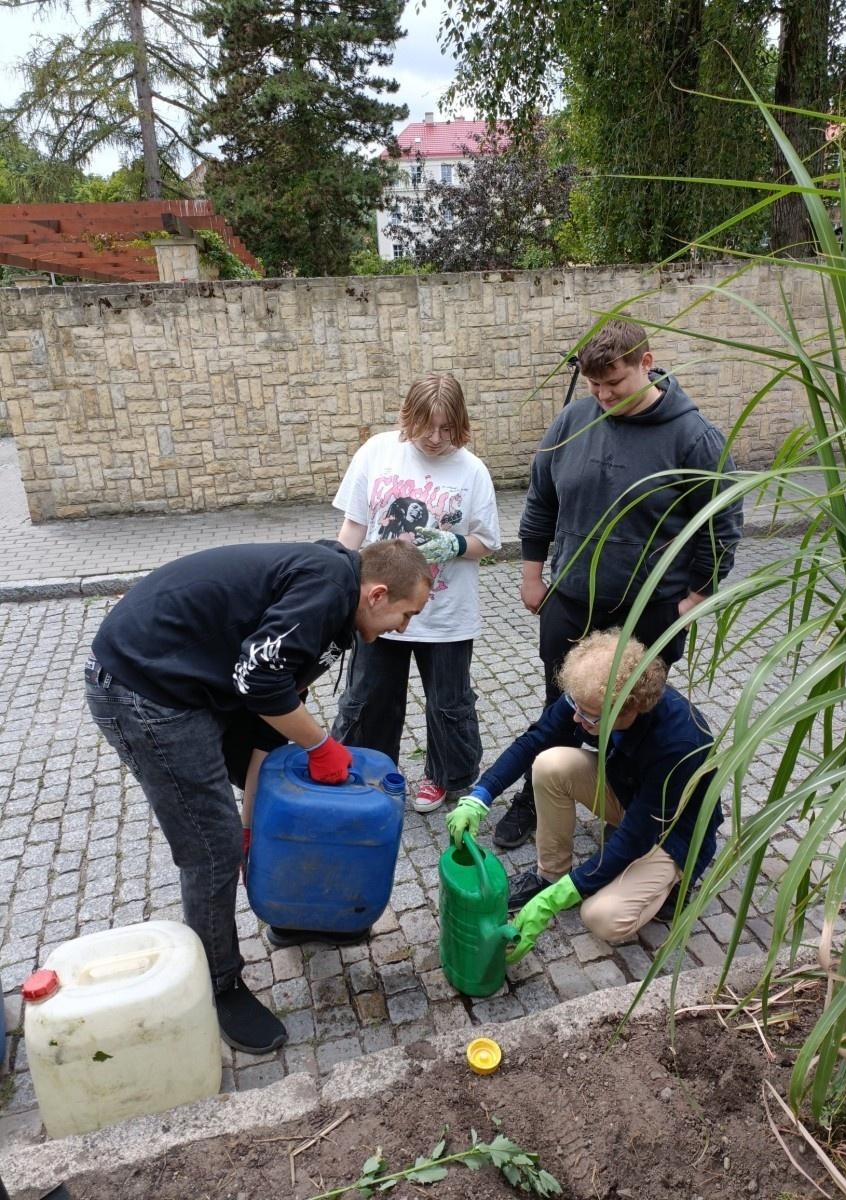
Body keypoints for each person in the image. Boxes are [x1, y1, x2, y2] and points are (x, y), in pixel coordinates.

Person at [84, 539, 432, 1055]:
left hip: (196, 685)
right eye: (407, 614)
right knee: (211, 848)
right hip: (145, 690)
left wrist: (252, 827)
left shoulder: (333, 611)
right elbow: (259, 679)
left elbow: (270, 724)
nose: (404, 628)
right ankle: (218, 984)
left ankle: (294, 916)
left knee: (254, 815)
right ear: (377, 595)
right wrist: (321, 744)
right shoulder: (326, 589)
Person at [494, 318, 742, 850]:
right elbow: (541, 500)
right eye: (594, 386)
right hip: (571, 599)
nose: (604, 396)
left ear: (645, 364)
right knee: (560, 708)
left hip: (649, 609)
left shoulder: (694, 437)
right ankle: (534, 799)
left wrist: (695, 597)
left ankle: (627, 814)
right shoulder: (571, 421)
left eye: (614, 383)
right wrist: (532, 574)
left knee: (632, 716)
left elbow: (721, 526)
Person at [446, 630, 721, 960]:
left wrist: (562, 898)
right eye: (575, 705)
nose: (576, 718)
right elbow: (534, 740)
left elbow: (636, 835)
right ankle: (550, 877)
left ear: (628, 709)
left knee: (602, 917)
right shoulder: (590, 695)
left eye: (589, 715)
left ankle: (676, 883)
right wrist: (479, 796)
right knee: (549, 764)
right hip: (628, 788)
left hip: (672, 828)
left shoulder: (678, 743)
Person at [331, 373, 502, 813]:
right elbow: (354, 527)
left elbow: (487, 542)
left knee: (448, 704)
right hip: (379, 608)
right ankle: (371, 771)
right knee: (368, 698)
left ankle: (442, 776)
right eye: (427, 426)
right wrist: (339, 585)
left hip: (444, 613)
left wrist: (456, 544)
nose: (436, 438)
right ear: (408, 416)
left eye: (447, 428)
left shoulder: (472, 470)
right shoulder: (377, 452)